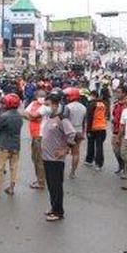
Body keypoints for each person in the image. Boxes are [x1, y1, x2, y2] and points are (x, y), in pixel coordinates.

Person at [41, 90, 77, 222]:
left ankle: (58, 211)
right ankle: (53, 207)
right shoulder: (48, 117)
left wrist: (65, 150)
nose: (45, 107)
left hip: (56, 159)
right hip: (46, 157)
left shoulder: (62, 119)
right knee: (51, 185)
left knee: (56, 185)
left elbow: (72, 134)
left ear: (55, 105)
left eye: (48, 104)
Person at [0, 94, 23, 196]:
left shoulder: (4, 116)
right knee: (14, 167)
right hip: (16, 145)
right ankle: (11, 188)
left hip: (4, 144)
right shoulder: (20, 116)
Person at [23, 90, 47, 189]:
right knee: (35, 158)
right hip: (34, 135)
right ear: (36, 96)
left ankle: (41, 182)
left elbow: (34, 115)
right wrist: (33, 118)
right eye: (40, 95)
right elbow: (24, 113)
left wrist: (32, 116)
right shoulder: (33, 103)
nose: (42, 97)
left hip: (41, 136)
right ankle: (39, 179)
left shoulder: (46, 107)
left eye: (43, 95)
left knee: (39, 159)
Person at [62, 87, 87, 179]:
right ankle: (73, 173)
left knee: (64, 152)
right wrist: (83, 133)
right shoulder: (83, 107)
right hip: (79, 131)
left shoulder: (68, 107)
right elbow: (84, 122)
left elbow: (64, 120)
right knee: (76, 153)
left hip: (68, 132)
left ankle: (60, 171)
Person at [85, 90, 108, 171]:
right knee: (99, 146)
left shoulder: (91, 104)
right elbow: (106, 115)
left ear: (93, 95)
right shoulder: (103, 104)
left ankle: (89, 160)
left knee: (90, 144)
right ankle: (99, 164)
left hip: (93, 127)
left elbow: (89, 118)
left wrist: (87, 130)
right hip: (102, 128)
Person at [111, 87, 127, 175]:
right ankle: (121, 165)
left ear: (124, 94)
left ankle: (125, 169)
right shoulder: (117, 104)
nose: (117, 94)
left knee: (123, 152)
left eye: (119, 92)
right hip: (116, 129)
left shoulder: (126, 105)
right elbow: (114, 115)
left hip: (123, 131)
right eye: (116, 92)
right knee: (116, 150)